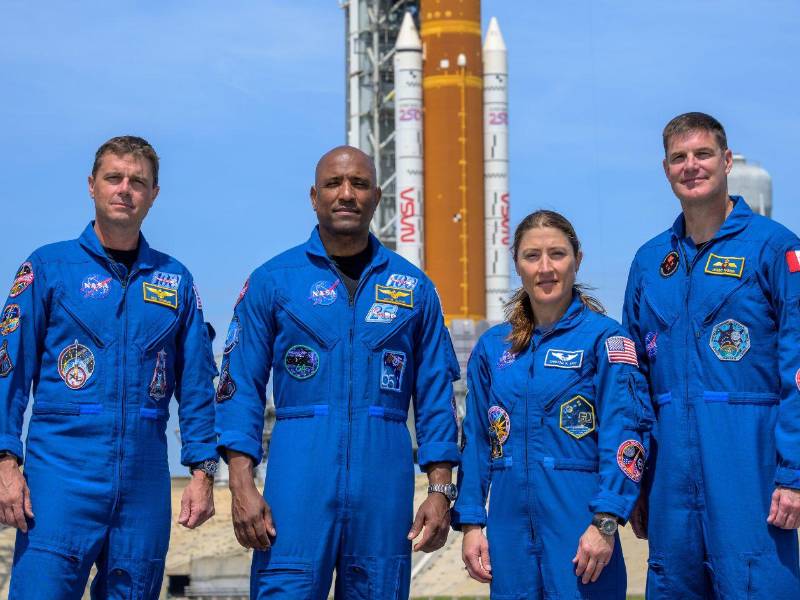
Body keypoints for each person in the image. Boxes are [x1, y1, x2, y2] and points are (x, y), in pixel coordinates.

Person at [215, 146, 461, 599]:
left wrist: (441, 490)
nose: (346, 194)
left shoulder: (414, 288)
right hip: (297, 475)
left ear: (377, 197)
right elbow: (239, 386)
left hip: (384, 479)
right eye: (334, 184)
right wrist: (241, 482)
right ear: (314, 196)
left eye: (359, 184)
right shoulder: (274, 280)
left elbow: (436, 397)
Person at [0, 136, 219, 599]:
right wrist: (5, 460)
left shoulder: (174, 280)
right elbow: (8, 373)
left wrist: (202, 472)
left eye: (137, 181)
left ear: (154, 193)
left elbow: (197, 383)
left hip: (143, 482)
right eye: (113, 178)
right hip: (60, 477)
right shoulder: (48, 267)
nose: (125, 189)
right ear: (92, 186)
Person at [623, 112, 800, 598]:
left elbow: (798, 368)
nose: (691, 166)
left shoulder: (774, 249)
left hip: (750, 466)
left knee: (757, 583)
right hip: (669, 477)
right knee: (673, 583)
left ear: (725, 161)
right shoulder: (648, 263)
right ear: (665, 169)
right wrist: (635, 481)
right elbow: (630, 383)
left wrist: (794, 473)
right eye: (679, 157)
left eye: (702, 154)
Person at [453, 210, 653, 599]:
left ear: (578, 260)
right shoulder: (494, 349)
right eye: (532, 256)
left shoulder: (606, 340)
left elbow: (627, 433)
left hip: (580, 524)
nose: (545, 268)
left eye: (557, 254)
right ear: (517, 265)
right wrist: (472, 522)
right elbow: (476, 440)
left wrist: (606, 522)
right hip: (510, 529)